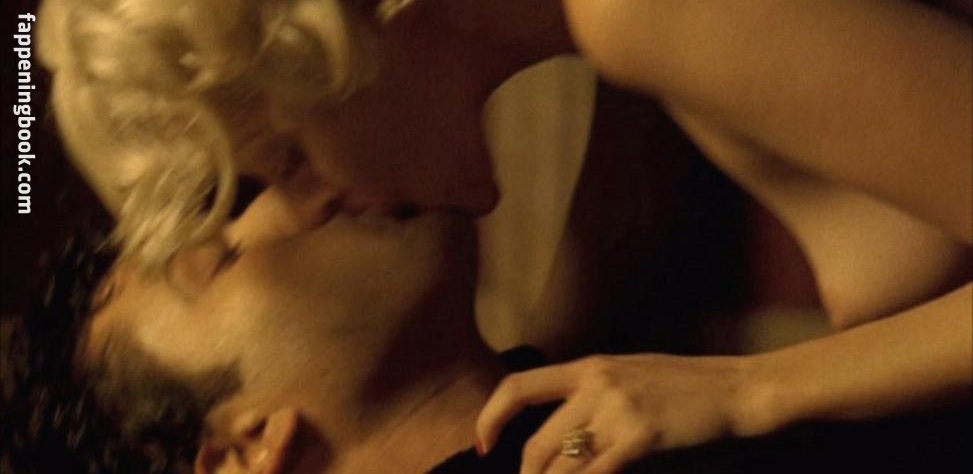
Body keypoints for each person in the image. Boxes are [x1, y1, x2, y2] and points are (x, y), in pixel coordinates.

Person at [22, 0, 973, 472]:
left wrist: (757, 391)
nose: (308, 205)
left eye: (289, 157)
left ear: (321, 47)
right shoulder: (636, 59)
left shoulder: (641, 17)